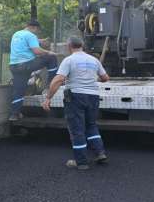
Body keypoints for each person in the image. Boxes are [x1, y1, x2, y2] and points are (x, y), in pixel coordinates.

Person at [42, 36, 109, 170]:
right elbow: (105, 78)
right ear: (82, 46)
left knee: (77, 129)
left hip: (76, 97)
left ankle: (81, 162)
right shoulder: (94, 60)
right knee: (91, 125)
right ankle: (100, 153)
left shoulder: (69, 60)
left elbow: (58, 80)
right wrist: (91, 79)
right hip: (93, 97)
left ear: (69, 46)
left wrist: (48, 97)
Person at [8, 19, 58, 121]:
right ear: (34, 28)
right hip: (27, 64)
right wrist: (49, 52)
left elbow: (26, 42)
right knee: (51, 58)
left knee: (19, 90)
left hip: (14, 66)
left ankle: (14, 114)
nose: (36, 32)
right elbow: (37, 51)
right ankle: (51, 82)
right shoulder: (31, 35)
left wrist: (40, 40)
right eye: (37, 30)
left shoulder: (16, 34)